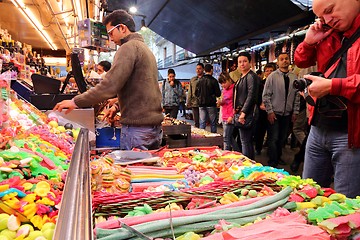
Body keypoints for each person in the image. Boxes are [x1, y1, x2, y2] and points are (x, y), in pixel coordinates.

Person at [53, 9, 164, 150]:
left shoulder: (128, 48)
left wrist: (76, 101)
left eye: (111, 33)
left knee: (132, 170)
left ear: (122, 28)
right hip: (152, 129)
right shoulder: (145, 50)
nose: (111, 39)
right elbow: (141, 88)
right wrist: (117, 106)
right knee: (146, 171)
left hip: (137, 130)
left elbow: (110, 85)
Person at [294, 0, 360, 198]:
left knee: (345, 210)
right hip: (317, 128)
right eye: (322, 17)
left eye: (330, 10)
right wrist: (308, 42)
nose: (328, 20)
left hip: (351, 136)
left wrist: (332, 86)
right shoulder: (329, 34)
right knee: (307, 198)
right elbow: (301, 61)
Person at [262, 52, 300, 167]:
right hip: (275, 113)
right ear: (278, 62)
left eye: (286, 59)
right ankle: (273, 161)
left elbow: (297, 96)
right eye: (282, 59)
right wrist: (270, 111)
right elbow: (266, 96)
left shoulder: (294, 77)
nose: (284, 61)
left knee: (282, 139)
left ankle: (278, 157)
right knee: (273, 138)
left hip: (287, 114)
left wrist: (295, 112)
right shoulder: (272, 77)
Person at [233, 52, 260, 159]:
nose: (242, 64)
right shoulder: (242, 76)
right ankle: (249, 162)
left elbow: (251, 96)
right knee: (244, 140)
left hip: (247, 113)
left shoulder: (251, 76)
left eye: (244, 61)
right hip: (241, 112)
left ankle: (248, 163)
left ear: (250, 62)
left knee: (245, 141)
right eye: (240, 62)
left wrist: (243, 113)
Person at [254, 63, 276, 155]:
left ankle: (271, 152)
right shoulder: (261, 83)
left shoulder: (277, 84)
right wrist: (259, 104)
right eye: (267, 71)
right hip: (262, 111)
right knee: (260, 131)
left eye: (271, 70)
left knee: (273, 134)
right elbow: (256, 96)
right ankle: (258, 148)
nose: (269, 72)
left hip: (274, 111)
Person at [195, 64, 221, 133]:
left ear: (204, 70)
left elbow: (196, 93)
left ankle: (201, 138)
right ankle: (213, 138)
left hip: (201, 104)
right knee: (213, 123)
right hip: (211, 104)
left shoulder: (199, 80)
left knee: (202, 122)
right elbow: (218, 94)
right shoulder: (214, 81)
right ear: (211, 70)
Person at [217, 72, 236, 150]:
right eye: (221, 83)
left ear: (229, 80)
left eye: (224, 82)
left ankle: (226, 154)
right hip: (224, 115)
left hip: (230, 116)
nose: (223, 85)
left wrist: (232, 116)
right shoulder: (224, 90)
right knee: (230, 138)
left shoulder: (234, 89)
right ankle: (239, 153)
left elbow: (236, 104)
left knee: (226, 138)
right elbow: (225, 101)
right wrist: (220, 102)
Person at [187, 63, 204, 128]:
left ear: (203, 69)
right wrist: (188, 102)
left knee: (203, 121)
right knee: (196, 121)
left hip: (204, 103)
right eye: (197, 69)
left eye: (199, 69)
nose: (198, 70)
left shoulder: (205, 79)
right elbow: (190, 92)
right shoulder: (192, 79)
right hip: (194, 103)